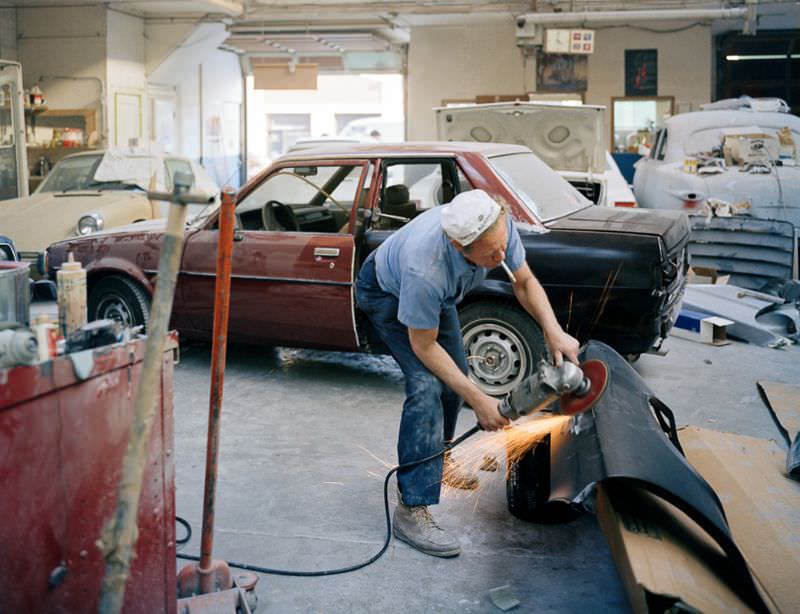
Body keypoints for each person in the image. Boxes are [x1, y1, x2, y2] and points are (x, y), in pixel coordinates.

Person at [355, 189, 579, 558]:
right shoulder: (424, 268)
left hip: (436, 297)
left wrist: (552, 329)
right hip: (386, 293)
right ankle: (412, 507)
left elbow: (523, 282)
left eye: (502, 244)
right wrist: (480, 399)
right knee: (427, 385)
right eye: (490, 253)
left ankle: (440, 459)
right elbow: (424, 346)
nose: (500, 256)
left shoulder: (496, 225)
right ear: (460, 247)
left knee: (455, 378)